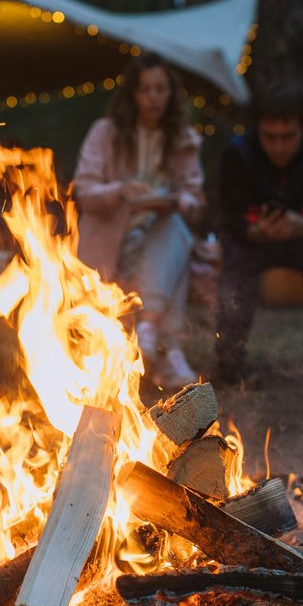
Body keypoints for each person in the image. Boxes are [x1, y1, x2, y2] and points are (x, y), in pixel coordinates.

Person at [73, 51, 206, 390]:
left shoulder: (181, 138)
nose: (153, 97)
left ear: (170, 94)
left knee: (174, 227)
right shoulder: (106, 132)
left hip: (160, 233)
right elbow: (84, 191)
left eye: (160, 89)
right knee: (178, 245)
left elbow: (195, 197)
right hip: (113, 241)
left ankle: (149, 331)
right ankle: (169, 349)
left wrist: (179, 201)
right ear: (132, 93)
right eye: (145, 89)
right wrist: (120, 191)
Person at [216, 82, 303, 386]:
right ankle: (231, 361)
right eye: (270, 138)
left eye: (288, 137)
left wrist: (300, 224)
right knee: (236, 269)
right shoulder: (238, 154)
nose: (278, 147)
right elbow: (230, 215)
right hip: (253, 241)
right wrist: (256, 229)